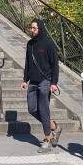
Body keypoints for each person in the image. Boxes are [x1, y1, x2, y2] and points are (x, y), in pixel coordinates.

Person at [21, 18, 61, 151]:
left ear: (40, 28)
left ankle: (47, 140)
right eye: (31, 28)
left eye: (34, 28)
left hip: (45, 81)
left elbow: (55, 64)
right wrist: (25, 80)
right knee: (32, 109)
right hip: (33, 81)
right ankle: (54, 127)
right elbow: (27, 63)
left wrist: (54, 82)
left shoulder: (48, 44)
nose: (32, 30)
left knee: (43, 109)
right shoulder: (30, 44)